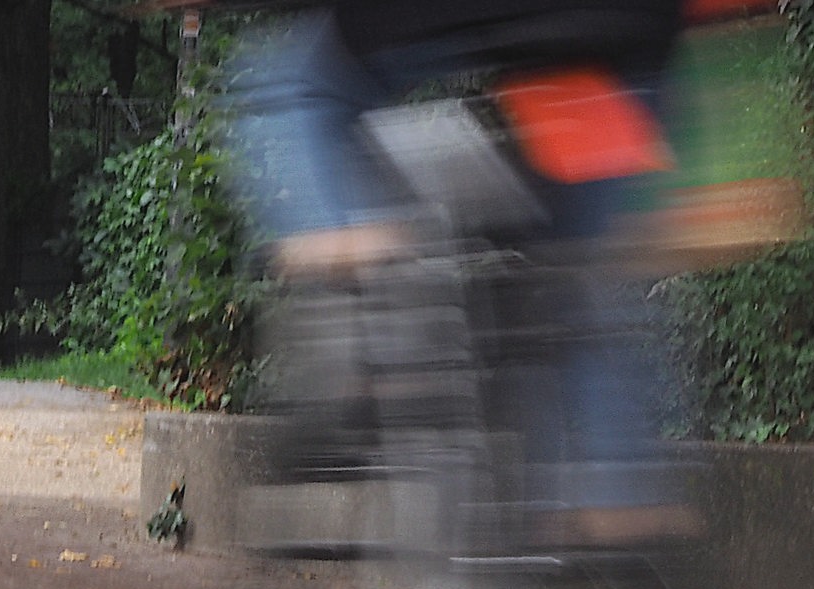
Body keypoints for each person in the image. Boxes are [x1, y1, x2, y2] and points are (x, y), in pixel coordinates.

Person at [226, 0, 701, 549]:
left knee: (294, 83)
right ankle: (620, 493)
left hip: (448, 20)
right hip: (620, 36)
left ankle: (356, 303)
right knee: (582, 262)